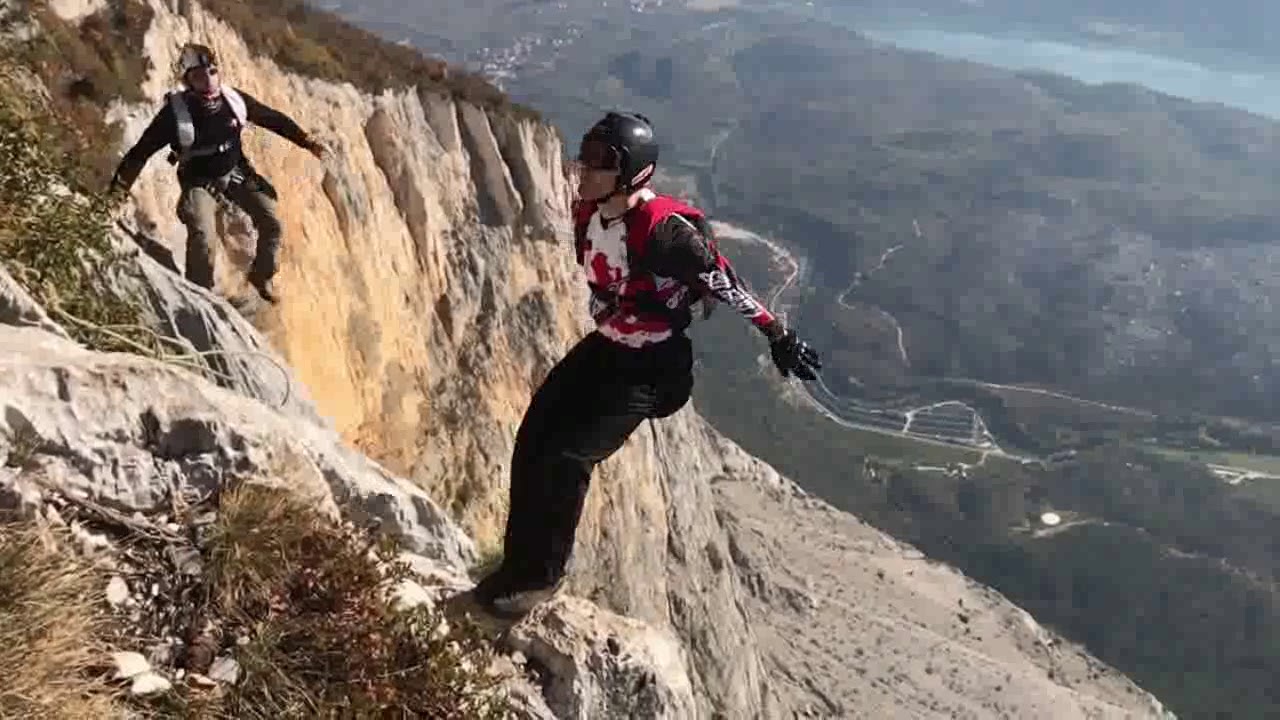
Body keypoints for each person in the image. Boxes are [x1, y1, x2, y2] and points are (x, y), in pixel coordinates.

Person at [471, 111, 822, 617]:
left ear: (632, 171)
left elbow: (723, 281)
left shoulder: (663, 233)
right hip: (610, 346)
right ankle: (515, 567)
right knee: (532, 440)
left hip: (652, 365)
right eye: (585, 155)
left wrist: (778, 333)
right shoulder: (587, 214)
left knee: (568, 457)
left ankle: (536, 582)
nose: (583, 169)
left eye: (599, 161)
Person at [108, 43, 328, 303]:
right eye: (200, 75)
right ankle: (200, 297)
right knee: (203, 237)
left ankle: (261, 276)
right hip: (198, 181)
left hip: (235, 172)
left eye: (212, 72)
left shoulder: (234, 101)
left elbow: (272, 119)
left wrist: (306, 141)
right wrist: (115, 195)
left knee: (272, 223)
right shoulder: (175, 114)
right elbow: (140, 153)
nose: (209, 80)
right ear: (188, 80)